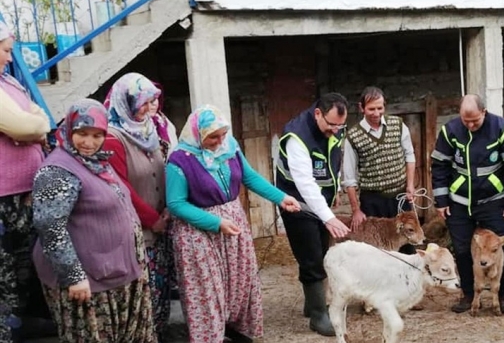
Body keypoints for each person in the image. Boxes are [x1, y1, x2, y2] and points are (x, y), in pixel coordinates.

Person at [166, 105, 300, 343]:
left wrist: (280, 197)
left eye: (222, 135)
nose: (219, 142)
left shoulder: (230, 147)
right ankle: (209, 337)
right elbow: (176, 204)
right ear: (197, 134)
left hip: (232, 224)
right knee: (207, 291)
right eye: (212, 137)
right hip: (198, 233)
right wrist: (216, 223)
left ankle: (236, 331)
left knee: (240, 281)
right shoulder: (179, 160)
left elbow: (248, 177)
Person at [31, 99, 154, 343]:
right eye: (82, 133)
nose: (89, 143)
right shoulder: (56, 171)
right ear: (68, 130)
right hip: (88, 282)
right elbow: (50, 228)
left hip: (118, 272)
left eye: (98, 135)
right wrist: (74, 276)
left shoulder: (97, 162)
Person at [431, 94, 504, 314]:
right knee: (463, 249)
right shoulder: (450, 131)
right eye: (466, 121)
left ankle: (502, 295)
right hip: (459, 203)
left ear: (484, 112)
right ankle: (468, 294)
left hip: (493, 201)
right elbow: (439, 166)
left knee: (500, 248)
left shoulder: (503, 129)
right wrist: (441, 199)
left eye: (475, 120)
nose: (471, 125)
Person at [102, 72, 171, 342]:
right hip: (137, 235)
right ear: (125, 102)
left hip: (161, 228)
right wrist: (152, 219)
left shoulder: (149, 131)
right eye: (141, 103)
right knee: (143, 302)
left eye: (151, 101)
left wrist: (167, 210)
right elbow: (121, 188)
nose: (147, 109)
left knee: (161, 296)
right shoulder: (112, 138)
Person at [275, 93, 351, 337]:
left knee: (321, 249)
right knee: (311, 256)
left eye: (341, 125)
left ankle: (312, 304)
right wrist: (328, 217)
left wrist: (335, 188)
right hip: (296, 203)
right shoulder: (297, 138)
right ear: (318, 113)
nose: (336, 131)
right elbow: (305, 184)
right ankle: (319, 315)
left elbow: (333, 161)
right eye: (332, 124)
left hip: (321, 203)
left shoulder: (332, 130)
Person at [0, 21, 56, 343]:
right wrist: (34, 128)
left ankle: (23, 320)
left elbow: (37, 117)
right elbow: (23, 126)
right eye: (6, 51)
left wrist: (34, 125)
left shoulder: (10, 83)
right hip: (3, 196)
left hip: (24, 190)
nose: (10, 59)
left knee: (25, 262)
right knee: (4, 268)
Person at [342, 86, 416, 233]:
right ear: (361, 108)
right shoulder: (353, 136)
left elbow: (409, 155)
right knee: (377, 246)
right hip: (372, 201)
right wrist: (356, 210)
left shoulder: (398, 125)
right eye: (371, 109)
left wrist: (410, 185)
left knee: (406, 243)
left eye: (379, 108)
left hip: (400, 197)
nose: (376, 113)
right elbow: (349, 177)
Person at [148, 82, 179, 160]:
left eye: (156, 98)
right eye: (148, 99)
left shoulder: (163, 121)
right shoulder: (132, 126)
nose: (154, 104)